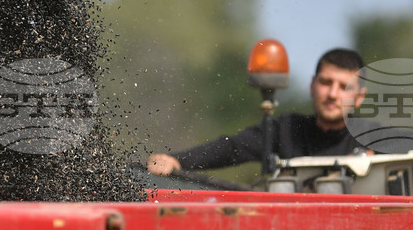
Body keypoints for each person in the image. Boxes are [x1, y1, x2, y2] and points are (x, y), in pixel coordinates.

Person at [147, 48, 370, 175]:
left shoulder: (379, 142)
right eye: (326, 82)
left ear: (360, 97)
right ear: (312, 85)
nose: (332, 94)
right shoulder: (286, 130)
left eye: (344, 87)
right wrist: (176, 161)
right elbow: (231, 148)